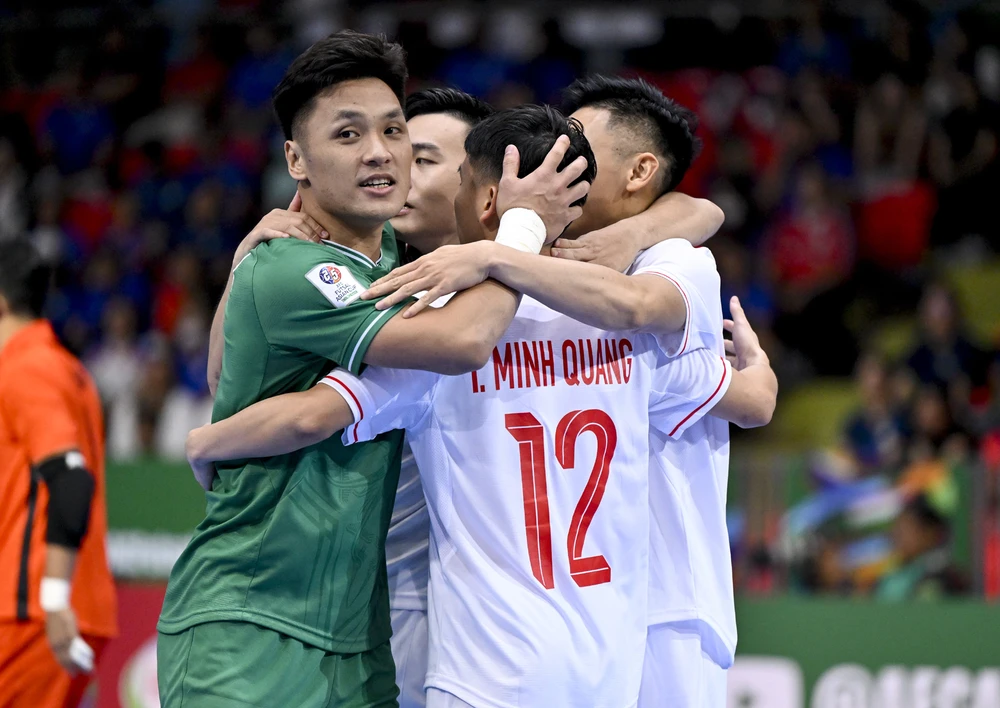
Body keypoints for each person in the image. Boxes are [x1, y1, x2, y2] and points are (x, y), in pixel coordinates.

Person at [187, 104, 776, 707]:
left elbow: (313, 412)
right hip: (602, 665)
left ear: (488, 194)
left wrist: (208, 440)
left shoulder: (435, 330)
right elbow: (741, 393)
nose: (401, 171)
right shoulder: (616, 323)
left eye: (433, 162)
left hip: (466, 652)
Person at [157, 32, 589, 708]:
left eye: (394, 132)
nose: (382, 153)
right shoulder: (301, 267)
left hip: (358, 641)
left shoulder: (388, 254)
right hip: (251, 621)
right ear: (296, 160)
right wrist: (522, 233)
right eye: (349, 134)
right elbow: (464, 340)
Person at [368, 75, 767, 707]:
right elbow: (749, 397)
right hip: (583, 633)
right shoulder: (510, 295)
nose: (563, 156)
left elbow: (667, 318)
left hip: (661, 608)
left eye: (577, 142)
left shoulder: (658, 265)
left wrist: (501, 253)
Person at [0, 239, 117, 707]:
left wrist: (52, 599)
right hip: (44, 608)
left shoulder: (28, 369)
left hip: (30, 611)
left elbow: (71, 480)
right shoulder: (68, 370)